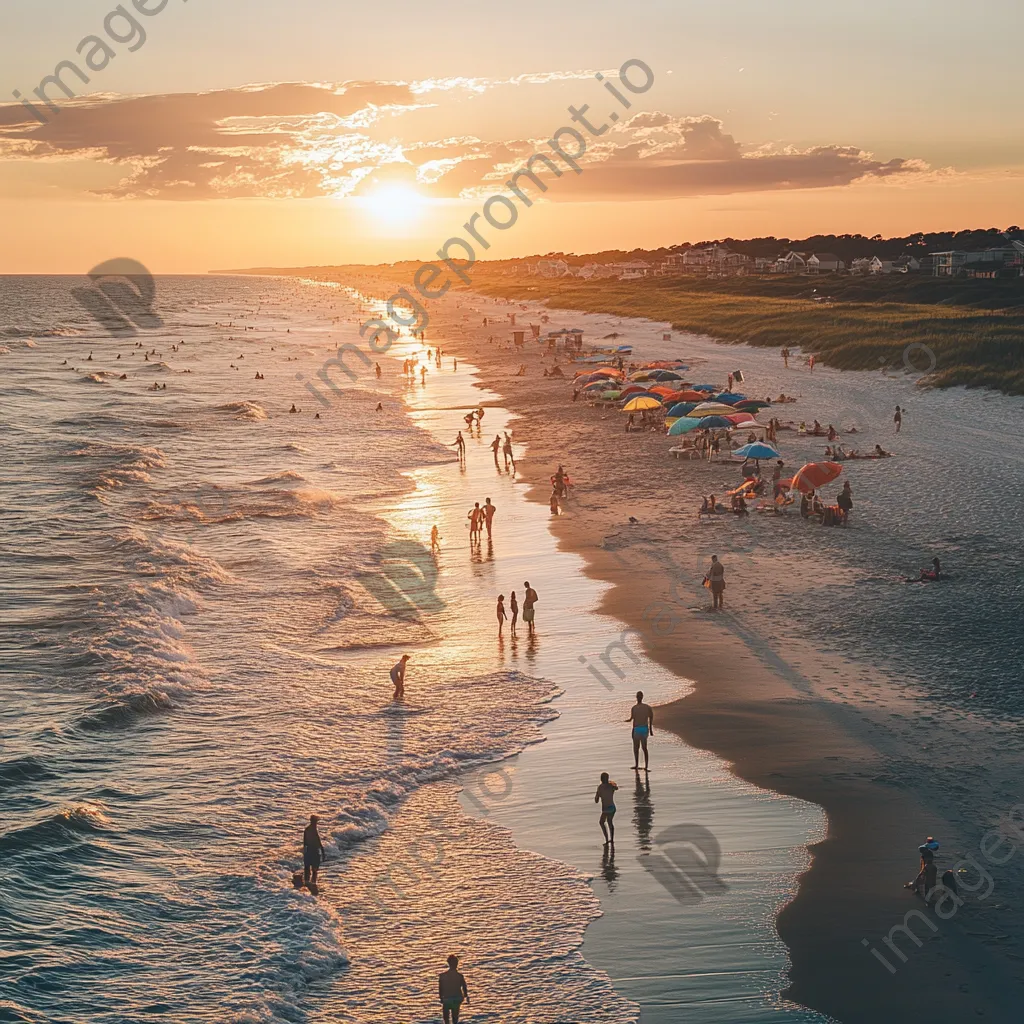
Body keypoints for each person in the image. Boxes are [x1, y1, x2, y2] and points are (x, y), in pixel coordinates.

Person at [627, 691, 654, 771]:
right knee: (644, 748)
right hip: (644, 728)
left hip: (637, 729)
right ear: (642, 697)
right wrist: (651, 729)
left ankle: (637, 765)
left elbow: (632, 719)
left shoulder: (634, 708)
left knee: (636, 748)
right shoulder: (647, 707)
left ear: (637, 697)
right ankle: (645, 766)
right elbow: (651, 718)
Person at [439, 955, 469, 1023]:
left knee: (446, 1019)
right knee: (455, 1018)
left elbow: (440, 988)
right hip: (456, 998)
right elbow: (464, 987)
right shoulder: (460, 976)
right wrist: (465, 995)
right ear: (457, 964)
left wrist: (441, 998)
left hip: (447, 999)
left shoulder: (443, 976)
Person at [595, 772, 618, 845]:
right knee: (610, 822)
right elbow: (616, 788)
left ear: (601, 779)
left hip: (606, 809)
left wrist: (598, 795)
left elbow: (596, 800)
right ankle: (611, 839)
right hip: (612, 807)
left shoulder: (600, 787)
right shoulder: (611, 786)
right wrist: (612, 783)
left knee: (602, 822)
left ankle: (607, 839)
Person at [302, 814, 325, 887]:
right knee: (313, 871)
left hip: (309, 852)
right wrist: (322, 851)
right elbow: (318, 842)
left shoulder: (307, 829)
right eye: (315, 821)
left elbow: (305, 843)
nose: (316, 823)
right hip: (314, 852)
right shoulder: (312, 830)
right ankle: (312, 885)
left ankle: (308, 884)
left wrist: (305, 853)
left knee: (308, 870)